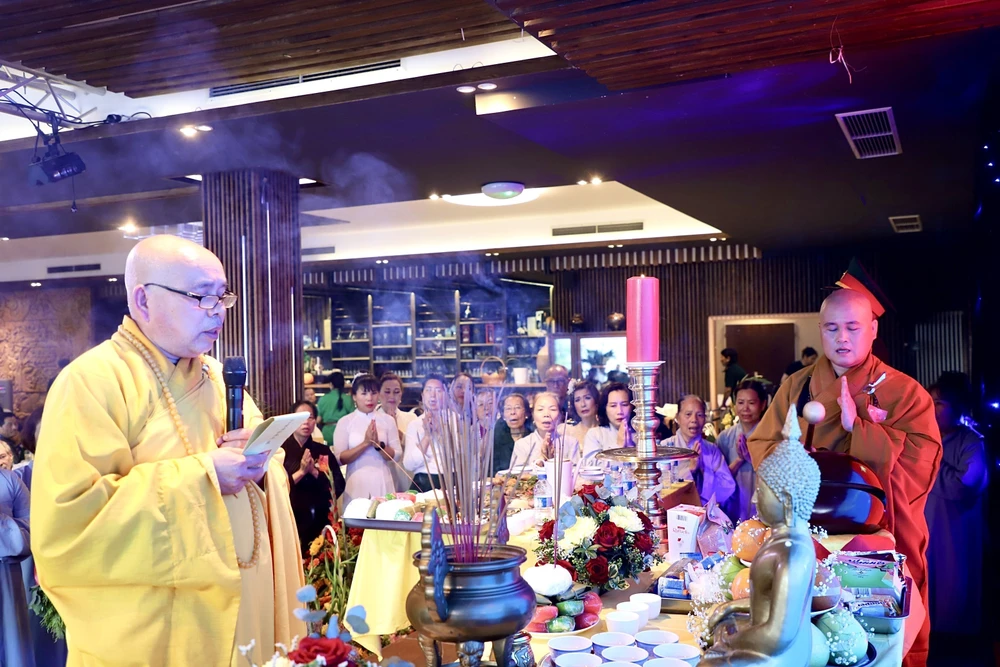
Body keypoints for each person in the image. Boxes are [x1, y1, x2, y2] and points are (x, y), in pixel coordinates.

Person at [33, 235, 304, 665]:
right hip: (158, 629)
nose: (218, 313)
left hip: (247, 607)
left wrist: (261, 463)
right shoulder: (93, 381)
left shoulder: (217, 376)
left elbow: (267, 462)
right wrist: (204, 477)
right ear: (143, 300)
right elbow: (71, 523)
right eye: (201, 297)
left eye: (223, 298)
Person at [748, 288, 941, 667]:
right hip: (807, 534)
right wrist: (795, 463)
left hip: (874, 535)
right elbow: (762, 443)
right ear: (819, 330)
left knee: (872, 635)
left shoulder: (905, 392)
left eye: (853, 327)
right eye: (832, 328)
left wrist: (862, 429)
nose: (842, 338)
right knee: (806, 631)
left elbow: (923, 459)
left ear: (872, 329)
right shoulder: (796, 386)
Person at [924, 373, 988, 644]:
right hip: (927, 522)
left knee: (955, 579)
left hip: (956, 526)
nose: (933, 408)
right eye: (930, 401)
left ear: (959, 406)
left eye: (940, 403)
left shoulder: (971, 441)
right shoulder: (925, 438)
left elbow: (965, 485)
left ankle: (957, 643)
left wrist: (930, 462)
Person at [281, 401, 345, 551]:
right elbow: (273, 486)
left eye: (310, 417)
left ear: (315, 421)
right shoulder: (281, 451)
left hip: (319, 517)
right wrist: (301, 472)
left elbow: (339, 485)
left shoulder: (322, 450)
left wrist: (315, 473)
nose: (306, 422)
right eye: (300, 417)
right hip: (291, 516)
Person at [333, 374, 400, 505]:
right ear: (354, 396)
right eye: (364, 394)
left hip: (382, 480)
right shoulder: (345, 422)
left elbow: (397, 455)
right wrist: (365, 443)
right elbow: (339, 459)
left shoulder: (387, 420)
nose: (369, 398)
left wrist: (378, 446)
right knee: (357, 521)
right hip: (356, 482)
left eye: (374, 393)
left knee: (382, 519)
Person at [660, 395, 736, 505]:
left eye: (699, 415)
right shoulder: (666, 447)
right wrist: (689, 471)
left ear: (705, 419)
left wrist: (703, 495)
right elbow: (659, 486)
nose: (694, 420)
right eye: (688, 414)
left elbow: (728, 485)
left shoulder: (711, 450)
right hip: (672, 513)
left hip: (705, 513)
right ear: (677, 418)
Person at [715, 380, 768, 522]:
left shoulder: (770, 437)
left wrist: (752, 459)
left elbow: (778, 478)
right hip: (732, 509)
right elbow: (717, 480)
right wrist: (739, 459)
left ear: (763, 404)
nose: (745, 408)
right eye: (740, 402)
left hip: (762, 509)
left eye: (751, 403)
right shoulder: (725, 438)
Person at [0, 466, 32, 667]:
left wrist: (3, 524)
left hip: (6, 576)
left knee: (12, 644)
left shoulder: (10, 480)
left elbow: (34, 528)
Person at [508, 392, 581, 470]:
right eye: (540, 409)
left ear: (560, 416)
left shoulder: (571, 443)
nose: (546, 414)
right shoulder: (522, 445)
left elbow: (577, 473)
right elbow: (515, 477)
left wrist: (554, 461)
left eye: (552, 409)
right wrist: (540, 460)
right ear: (533, 415)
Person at [404, 375, 449, 492]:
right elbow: (408, 464)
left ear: (445, 395)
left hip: (450, 480)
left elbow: (462, 455)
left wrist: (439, 433)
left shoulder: (455, 420)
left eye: (438, 391)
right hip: (423, 481)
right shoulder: (414, 424)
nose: (433, 395)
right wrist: (428, 436)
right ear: (423, 395)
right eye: (428, 390)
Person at [378, 372, 418, 491]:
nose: (391, 396)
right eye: (387, 391)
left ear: (401, 394)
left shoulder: (411, 418)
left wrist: (396, 430)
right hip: (383, 474)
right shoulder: (373, 419)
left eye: (396, 392)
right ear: (379, 394)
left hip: (407, 474)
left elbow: (417, 448)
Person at [581, 382, 633, 462]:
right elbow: (589, 465)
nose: (619, 411)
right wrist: (618, 446)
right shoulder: (595, 434)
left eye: (624, 405)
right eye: (613, 406)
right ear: (605, 408)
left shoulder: (642, 433)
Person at [492, 393, 532, 474]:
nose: (513, 412)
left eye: (517, 407)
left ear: (527, 413)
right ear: (503, 416)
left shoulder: (533, 438)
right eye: (508, 409)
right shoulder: (496, 440)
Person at [317, 371, 354, 445]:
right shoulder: (348, 399)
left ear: (331, 384)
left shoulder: (323, 399)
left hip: (327, 433)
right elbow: (353, 418)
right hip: (344, 432)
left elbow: (318, 420)